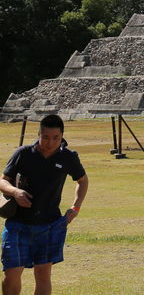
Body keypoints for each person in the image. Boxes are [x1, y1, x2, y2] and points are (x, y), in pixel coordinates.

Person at [1, 114, 88, 295]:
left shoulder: (68, 157)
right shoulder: (23, 154)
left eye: (55, 138)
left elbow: (83, 181)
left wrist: (76, 206)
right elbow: (3, 181)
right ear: (38, 134)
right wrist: (15, 192)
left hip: (50, 224)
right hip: (18, 223)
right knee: (11, 274)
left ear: (62, 136)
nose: (50, 142)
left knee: (43, 276)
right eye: (45, 137)